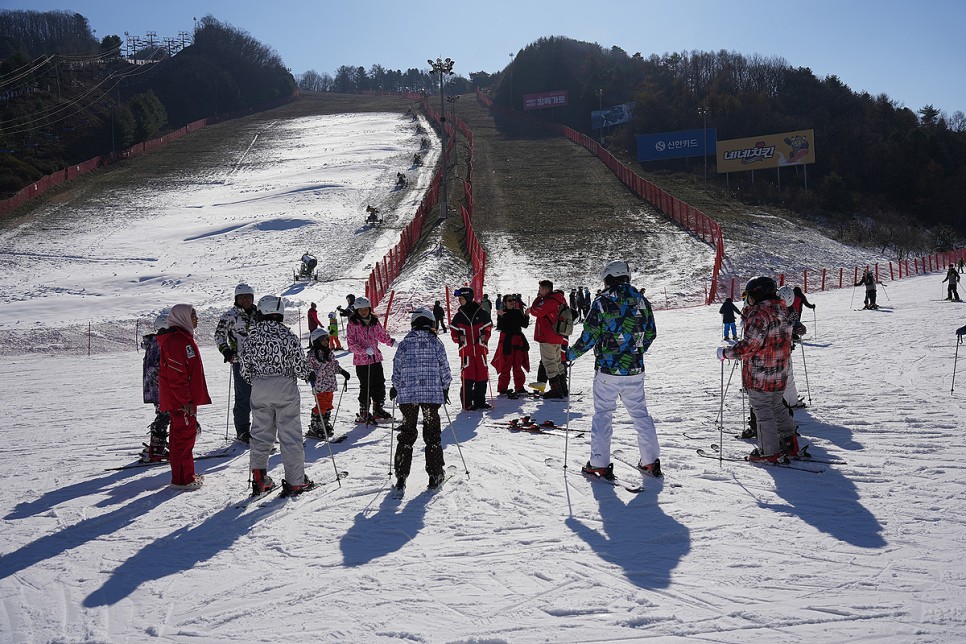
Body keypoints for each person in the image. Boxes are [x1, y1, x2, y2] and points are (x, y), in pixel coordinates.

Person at [567, 260, 660, 479]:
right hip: (635, 370)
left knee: (603, 415)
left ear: (610, 278)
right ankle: (650, 461)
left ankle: (599, 462)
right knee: (640, 414)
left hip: (608, 371)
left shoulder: (602, 302)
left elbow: (590, 336)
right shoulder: (642, 301)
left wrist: (570, 355)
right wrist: (635, 352)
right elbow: (650, 333)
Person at [240, 295, 314, 497]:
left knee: (261, 433)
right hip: (284, 387)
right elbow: (300, 366)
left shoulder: (252, 337)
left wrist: (258, 381)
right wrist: (309, 375)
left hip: (260, 387)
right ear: (279, 312)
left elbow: (245, 370)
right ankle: (296, 481)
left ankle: (259, 478)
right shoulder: (288, 336)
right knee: (289, 434)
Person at [719, 276, 797, 462]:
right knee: (777, 406)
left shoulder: (760, 314)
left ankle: (769, 451)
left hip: (761, 374)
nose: (748, 299)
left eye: (750, 295)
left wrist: (725, 352)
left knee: (763, 410)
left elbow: (747, 347)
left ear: (758, 293)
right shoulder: (782, 310)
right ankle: (790, 442)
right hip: (780, 372)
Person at [389, 308, 452, 490]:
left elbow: (397, 368)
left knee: (407, 433)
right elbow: (445, 369)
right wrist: (445, 387)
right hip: (431, 396)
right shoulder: (436, 342)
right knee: (432, 434)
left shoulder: (405, 343)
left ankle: (401, 476)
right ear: (431, 323)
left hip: (408, 397)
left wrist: (396, 385)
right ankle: (435, 474)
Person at [157, 304, 211, 490]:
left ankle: (186, 475)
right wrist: (185, 400)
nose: (196, 319)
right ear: (182, 317)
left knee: (184, 437)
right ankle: (182, 480)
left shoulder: (183, 338)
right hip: (182, 401)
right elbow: (176, 375)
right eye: (193, 315)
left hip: (185, 400)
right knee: (183, 439)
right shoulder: (176, 341)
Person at [214, 283, 257, 443]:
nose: (245, 300)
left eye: (248, 297)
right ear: (236, 299)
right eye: (242, 297)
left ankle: (260, 429)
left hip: (260, 362)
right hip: (240, 361)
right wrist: (226, 351)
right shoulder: (229, 316)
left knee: (261, 396)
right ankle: (243, 430)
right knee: (244, 396)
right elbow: (219, 335)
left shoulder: (259, 314)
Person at [345, 296, 396, 424]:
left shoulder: (374, 321)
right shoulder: (353, 324)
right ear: (356, 310)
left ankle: (378, 409)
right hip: (362, 361)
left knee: (379, 384)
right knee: (366, 386)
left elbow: (381, 335)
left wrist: (392, 342)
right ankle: (364, 412)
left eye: (365, 309)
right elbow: (351, 344)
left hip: (375, 358)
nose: (363, 312)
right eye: (360, 310)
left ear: (369, 309)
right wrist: (363, 350)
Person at [450, 287, 493, 410]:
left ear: (468, 298)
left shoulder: (482, 313)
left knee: (482, 376)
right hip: (466, 352)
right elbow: (453, 333)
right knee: (468, 376)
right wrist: (459, 338)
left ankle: (480, 401)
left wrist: (485, 337)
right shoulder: (459, 316)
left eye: (461, 298)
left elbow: (488, 328)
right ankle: (467, 403)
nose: (459, 301)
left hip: (480, 350)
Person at [305, 328, 350, 440]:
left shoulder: (329, 353)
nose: (326, 342)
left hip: (330, 384)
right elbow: (307, 368)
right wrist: (309, 375)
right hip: (319, 386)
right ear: (316, 341)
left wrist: (342, 371)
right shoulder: (312, 355)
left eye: (327, 339)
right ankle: (315, 425)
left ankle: (324, 423)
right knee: (322, 404)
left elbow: (334, 365)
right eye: (323, 340)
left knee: (328, 404)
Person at [529, 279, 569, 399]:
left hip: (548, 336)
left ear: (546, 290)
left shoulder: (549, 301)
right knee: (557, 362)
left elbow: (536, 311)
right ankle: (563, 388)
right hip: (557, 336)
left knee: (549, 362)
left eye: (540, 289)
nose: (539, 291)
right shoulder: (559, 299)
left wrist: (538, 299)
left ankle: (556, 390)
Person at [140, 310, 170, 462]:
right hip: (159, 388)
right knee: (165, 414)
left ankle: (157, 443)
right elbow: (154, 367)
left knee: (163, 413)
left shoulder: (155, 343)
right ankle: (157, 447)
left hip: (155, 387)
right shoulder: (158, 344)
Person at [492, 294, 530, 395]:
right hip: (508, 342)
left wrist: (526, 315)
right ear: (505, 303)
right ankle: (502, 388)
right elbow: (500, 327)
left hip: (518, 340)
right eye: (509, 300)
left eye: (513, 300)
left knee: (517, 366)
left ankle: (519, 387)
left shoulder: (518, 311)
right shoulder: (503, 312)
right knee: (506, 366)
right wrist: (500, 317)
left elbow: (524, 325)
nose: (512, 302)